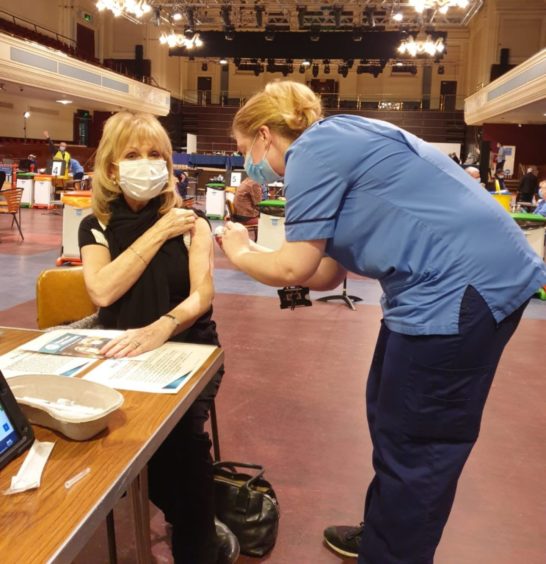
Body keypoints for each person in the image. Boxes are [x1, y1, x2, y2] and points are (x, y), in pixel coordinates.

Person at [219, 81, 546, 564]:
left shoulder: (314, 150)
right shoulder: (335, 142)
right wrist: (260, 257)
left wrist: (239, 251)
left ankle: (393, 554)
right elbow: (326, 273)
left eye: (245, 150)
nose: (249, 164)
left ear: (265, 135)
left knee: (420, 442)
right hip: (436, 288)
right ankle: (386, 534)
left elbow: (293, 269)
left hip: (461, 289)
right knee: (389, 413)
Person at [78, 111, 239, 564]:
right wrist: (156, 232)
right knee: (107, 436)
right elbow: (103, 289)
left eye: (156, 155)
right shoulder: (94, 225)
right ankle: (186, 510)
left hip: (188, 350)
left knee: (180, 446)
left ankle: (197, 536)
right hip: (118, 349)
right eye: (132, 155)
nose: (146, 163)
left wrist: (161, 327)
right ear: (111, 168)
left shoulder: (192, 224)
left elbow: (201, 297)